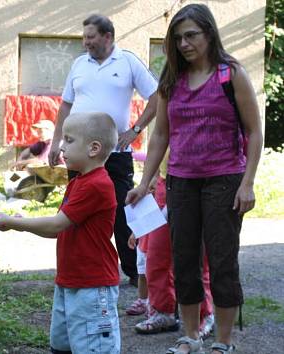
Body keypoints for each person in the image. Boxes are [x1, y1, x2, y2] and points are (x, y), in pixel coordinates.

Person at [125, 4, 263, 354]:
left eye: (191, 35)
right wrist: (145, 183)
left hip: (225, 181)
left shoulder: (230, 74)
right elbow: (160, 137)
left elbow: (254, 130)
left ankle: (224, 342)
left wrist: (247, 183)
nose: (184, 43)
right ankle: (190, 336)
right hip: (181, 183)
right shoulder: (172, 80)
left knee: (221, 261)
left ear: (209, 34)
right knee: (183, 260)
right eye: (179, 38)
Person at [0, 112, 120, 353]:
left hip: (92, 286)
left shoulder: (97, 185)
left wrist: (15, 224)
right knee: (61, 346)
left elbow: (56, 225)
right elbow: (58, 230)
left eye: (69, 140)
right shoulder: (79, 181)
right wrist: (20, 221)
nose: (61, 147)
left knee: (94, 348)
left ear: (93, 148)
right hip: (70, 281)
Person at [48, 14, 159, 286]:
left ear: (107, 36)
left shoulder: (128, 61)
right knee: (74, 211)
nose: (86, 42)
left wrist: (135, 130)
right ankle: (72, 268)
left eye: (91, 37)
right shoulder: (78, 64)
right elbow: (65, 106)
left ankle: (134, 272)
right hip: (80, 155)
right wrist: (56, 142)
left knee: (124, 210)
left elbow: (157, 97)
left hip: (116, 153)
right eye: (84, 37)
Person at [130, 154, 214, 339]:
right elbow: (159, 138)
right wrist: (151, 177)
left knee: (198, 259)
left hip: (204, 180)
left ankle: (205, 314)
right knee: (156, 256)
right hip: (166, 181)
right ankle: (163, 312)